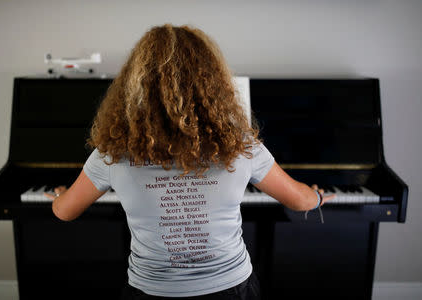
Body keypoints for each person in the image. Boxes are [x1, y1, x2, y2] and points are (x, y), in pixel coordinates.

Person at [44, 24, 335, 299]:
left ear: (136, 86)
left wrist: (60, 196)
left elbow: (65, 212)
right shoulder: (241, 146)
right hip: (231, 290)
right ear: (213, 83)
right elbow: (299, 200)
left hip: (150, 292)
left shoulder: (112, 153)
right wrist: (317, 196)